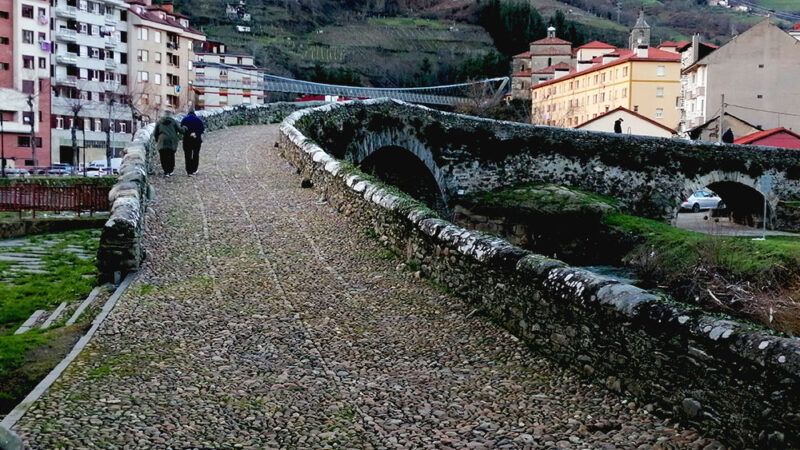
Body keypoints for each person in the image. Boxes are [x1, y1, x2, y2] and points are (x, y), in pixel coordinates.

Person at [181, 108, 205, 176]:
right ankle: (194, 169)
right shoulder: (198, 119)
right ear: (194, 112)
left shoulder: (184, 119)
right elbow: (202, 129)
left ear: (188, 112)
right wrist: (195, 133)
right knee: (195, 154)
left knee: (187, 155)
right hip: (196, 140)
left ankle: (189, 171)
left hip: (187, 140)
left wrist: (189, 133)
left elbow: (182, 129)